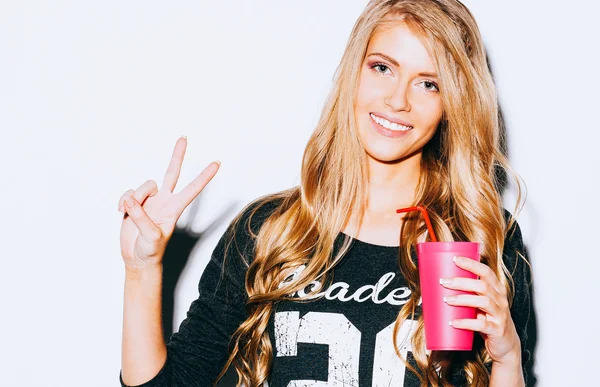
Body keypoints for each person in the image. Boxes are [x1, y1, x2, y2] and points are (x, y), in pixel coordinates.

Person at [118, 0, 533, 386]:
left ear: (453, 103)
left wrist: (508, 358)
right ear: (354, 71)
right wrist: (142, 271)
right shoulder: (271, 231)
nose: (397, 100)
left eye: (428, 83)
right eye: (382, 68)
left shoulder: (484, 241)